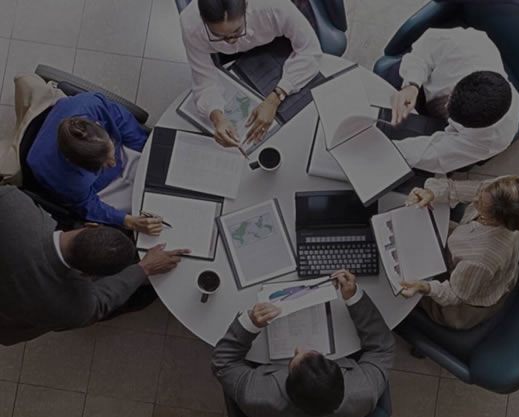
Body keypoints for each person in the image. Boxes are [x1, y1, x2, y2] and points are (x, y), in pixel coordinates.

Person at [0, 185, 189, 346]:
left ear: (91, 225)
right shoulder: (75, 308)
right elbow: (101, 302)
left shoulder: (10, 204)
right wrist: (145, 267)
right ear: (89, 275)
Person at [212, 269, 395, 417]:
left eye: (294, 359)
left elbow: (223, 364)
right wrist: (354, 297)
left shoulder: (257, 395)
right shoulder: (364, 391)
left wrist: (249, 324)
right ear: (340, 375)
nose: (299, 348)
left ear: (287, 384)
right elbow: (382, 349)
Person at [399, 176, 519, 329]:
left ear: (496, 220)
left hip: (462, 301)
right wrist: (432, 192)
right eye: (481, 193)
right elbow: (459, 189)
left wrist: (425, 287)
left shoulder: (481, 258)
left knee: (399, 281)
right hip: (485, 271)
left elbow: (453, 295)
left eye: (480, 204)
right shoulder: (505, 190)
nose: (474, 199)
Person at [180, 0, 322, 148]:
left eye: (237, 30)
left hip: (280, 39)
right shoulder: (191, 24)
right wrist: (217, 117)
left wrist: (275, 98)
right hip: (235, 57)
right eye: (219, 35)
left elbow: (310, 53)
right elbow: (204, 82)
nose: (231, 41)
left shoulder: (274, 6)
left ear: (246, 4)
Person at [380, 27, 519, 174]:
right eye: (449, 100)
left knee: (410, 170)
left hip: (448, 131)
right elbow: (426, 47)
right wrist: (412, 84)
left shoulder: (492, 138)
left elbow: (437, 154)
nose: (446, 106)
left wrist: (389, 150)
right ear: (456, 86)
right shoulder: (464, 45)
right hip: (423, 81)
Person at [26, 92, 161, 235]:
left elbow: (123, 121)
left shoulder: (91, 104)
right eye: (104, 164)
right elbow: (87, 204)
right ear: (77, 164)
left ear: (98, 125)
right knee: (145, 210)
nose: (113, 163)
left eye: (110, 148)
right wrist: (127, 221)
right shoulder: (66, 179)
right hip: (100, 188)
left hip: (123, 149)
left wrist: (147, 153)